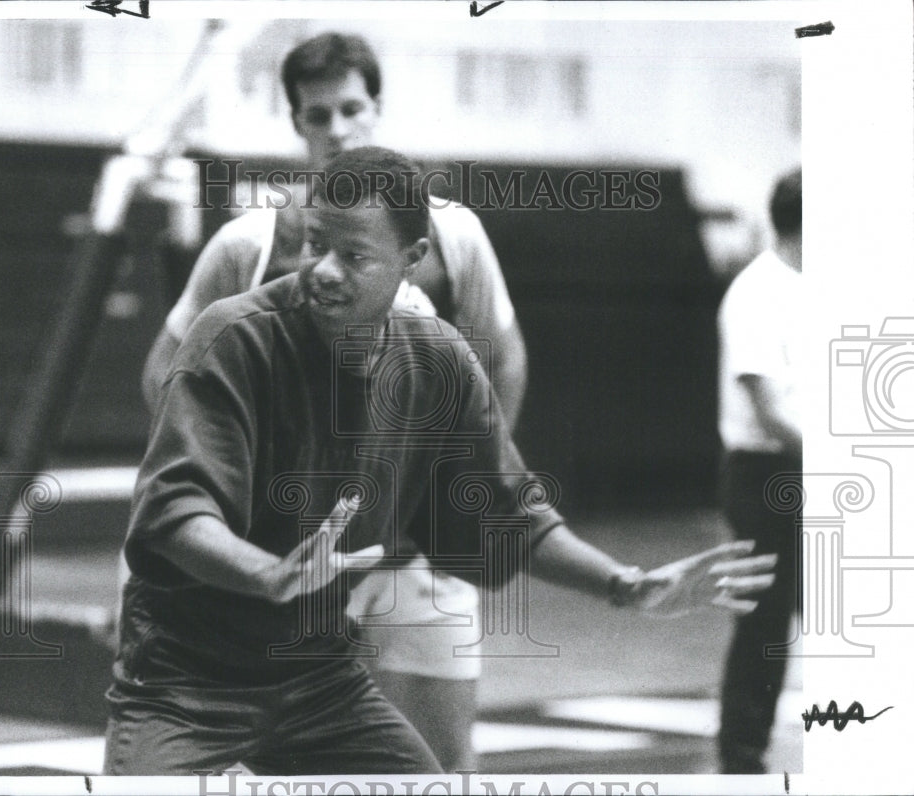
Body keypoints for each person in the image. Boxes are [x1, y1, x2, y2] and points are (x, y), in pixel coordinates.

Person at [105, 146, 777, 776]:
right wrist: (269, 574)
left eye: (352, 254)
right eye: (315, 244)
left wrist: (627, 585)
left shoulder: (436, 360)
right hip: (184, 679)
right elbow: (176, 511)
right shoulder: (232, 335)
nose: (324, 270)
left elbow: (511, 516)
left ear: (413, 258)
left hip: (314, 676)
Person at [139, 32, 526, 771]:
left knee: (442, 765)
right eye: (320, 115)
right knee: (304, 760)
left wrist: (459, 498)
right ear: (296, 123)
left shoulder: (452, 234)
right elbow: (166, 373)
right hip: (293, 553)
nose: (338, 129)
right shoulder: (249, 243)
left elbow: (501, 364)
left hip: (413, 553)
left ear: (376, 109)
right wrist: (234, 506)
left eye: (352, 109)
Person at [716, 166, 803, 774]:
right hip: (767, 476)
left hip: (814, 468)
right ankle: (742, 756)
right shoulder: (757, 291)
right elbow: (770, 410)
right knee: (767, 619)